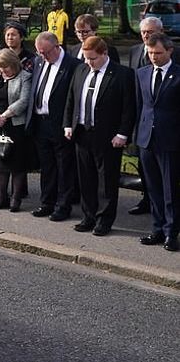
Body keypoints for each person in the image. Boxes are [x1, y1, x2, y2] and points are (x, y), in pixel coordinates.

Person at [63, 36, 136, 236]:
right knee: (85, 178)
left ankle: (104, 219)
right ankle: (88, 216)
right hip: (82, 133)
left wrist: (123, 133)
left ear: (104, 54)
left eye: (93, 58)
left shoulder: (122, 75)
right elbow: (71, 99)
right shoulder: (81, 70)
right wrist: (68, 125)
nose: (88, 62)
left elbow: (129, 108)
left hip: (108, 136)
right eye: (86, 58)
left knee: (107, 180)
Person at [126, 16, 180, 215]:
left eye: (150, 32)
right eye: (143, 33)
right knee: (151, 182)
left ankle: (170, 229)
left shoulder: (175, 62)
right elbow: (138, 101)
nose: (146, 36)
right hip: (145, 133)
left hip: (169, 136)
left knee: (169, 186)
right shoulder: (138, 61)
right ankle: (153, 218)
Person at [26, 32, 82, 221]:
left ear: (57, 47)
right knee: (47, 166)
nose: (42, 56)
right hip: (40, 122)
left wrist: (70, 124)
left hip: (60, 124)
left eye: (46, 52)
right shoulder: (40, 62)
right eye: (39, 52)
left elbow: (74, 98)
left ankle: (63, 205)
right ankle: (47, 202)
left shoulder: (72, 66)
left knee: (64, 166)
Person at [134, 33, 180, 251]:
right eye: (151, 53)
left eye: (158, 53)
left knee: (170, 189)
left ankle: (172, 232)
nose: (154, 57)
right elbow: (140, 106)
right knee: (153, 188)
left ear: (169, 51)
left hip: (170, 140)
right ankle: (158, 229)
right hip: (146, 139)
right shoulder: (142, 74)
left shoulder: (178, 75)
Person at [0, 49, 33, 211]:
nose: (3, 70)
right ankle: (1, 196)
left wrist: (5, 115)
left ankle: (16, 198)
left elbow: (24, 100)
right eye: (0, 67)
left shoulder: (25, 77)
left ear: (13, 64)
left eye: (6, 67)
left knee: (17, 164)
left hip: (15, 126)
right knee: (0, 163)